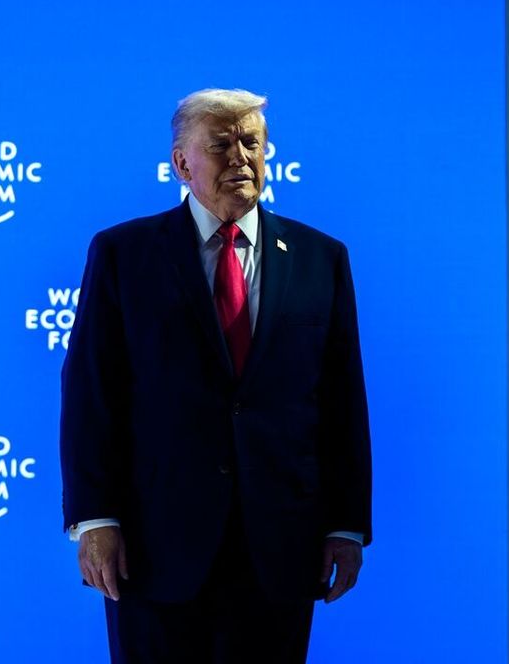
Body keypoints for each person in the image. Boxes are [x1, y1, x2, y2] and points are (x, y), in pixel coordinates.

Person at [59, 88, 372, 663]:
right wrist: (95, 518)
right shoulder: (124, 254)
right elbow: (91, 395)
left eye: (252, 143)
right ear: (182, 164)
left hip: (281, 543)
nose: (241, 158)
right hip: (154, 545)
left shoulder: (320, 258)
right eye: (221, 145)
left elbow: (342, 400)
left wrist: (346, 526)